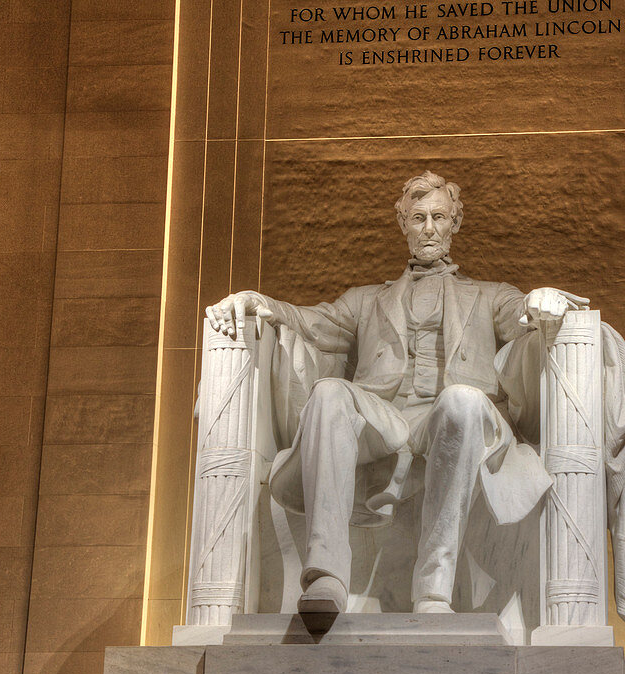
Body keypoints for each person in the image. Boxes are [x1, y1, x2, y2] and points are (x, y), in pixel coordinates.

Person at [206, 171, 586, 614]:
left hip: (453, 416)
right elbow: (314, 321)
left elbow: (519, 314)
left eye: (439, 217)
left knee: (462, 399)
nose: (429, 228)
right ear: (403, 224)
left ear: (455, 224)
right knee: (329, 392)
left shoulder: (488, 294)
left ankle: (434, 586)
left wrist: (540, 299)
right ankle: (326, 577)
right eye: (418, 217)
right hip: (385, 418)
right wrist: (260, 302)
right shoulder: (366, 299)